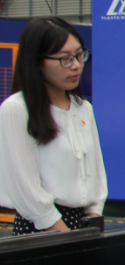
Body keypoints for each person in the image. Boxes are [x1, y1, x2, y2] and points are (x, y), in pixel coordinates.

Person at [0, 17, 104, 235]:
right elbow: (26, 190)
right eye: (65, 59)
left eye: (79, 55)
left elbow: (96, 174)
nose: (76, 65)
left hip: (83, 224)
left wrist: (94, 219)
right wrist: (66, 237)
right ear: (37, 62)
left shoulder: (83, 108)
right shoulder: (16, 109)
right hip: (41, 227)